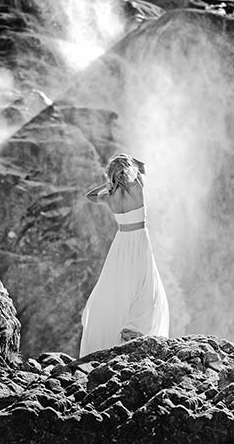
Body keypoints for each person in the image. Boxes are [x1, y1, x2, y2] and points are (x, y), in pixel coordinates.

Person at [79, 153, 169, 357]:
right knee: (144, 283)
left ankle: (123, 328)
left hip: (120, 242)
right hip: (139, 239)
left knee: (118, 286)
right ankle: (133, 327)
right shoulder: (137, 187)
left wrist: (107, 184)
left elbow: (90, 196)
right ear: (127, 171)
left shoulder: (109, 196)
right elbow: (143, 167)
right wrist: (131, 161)